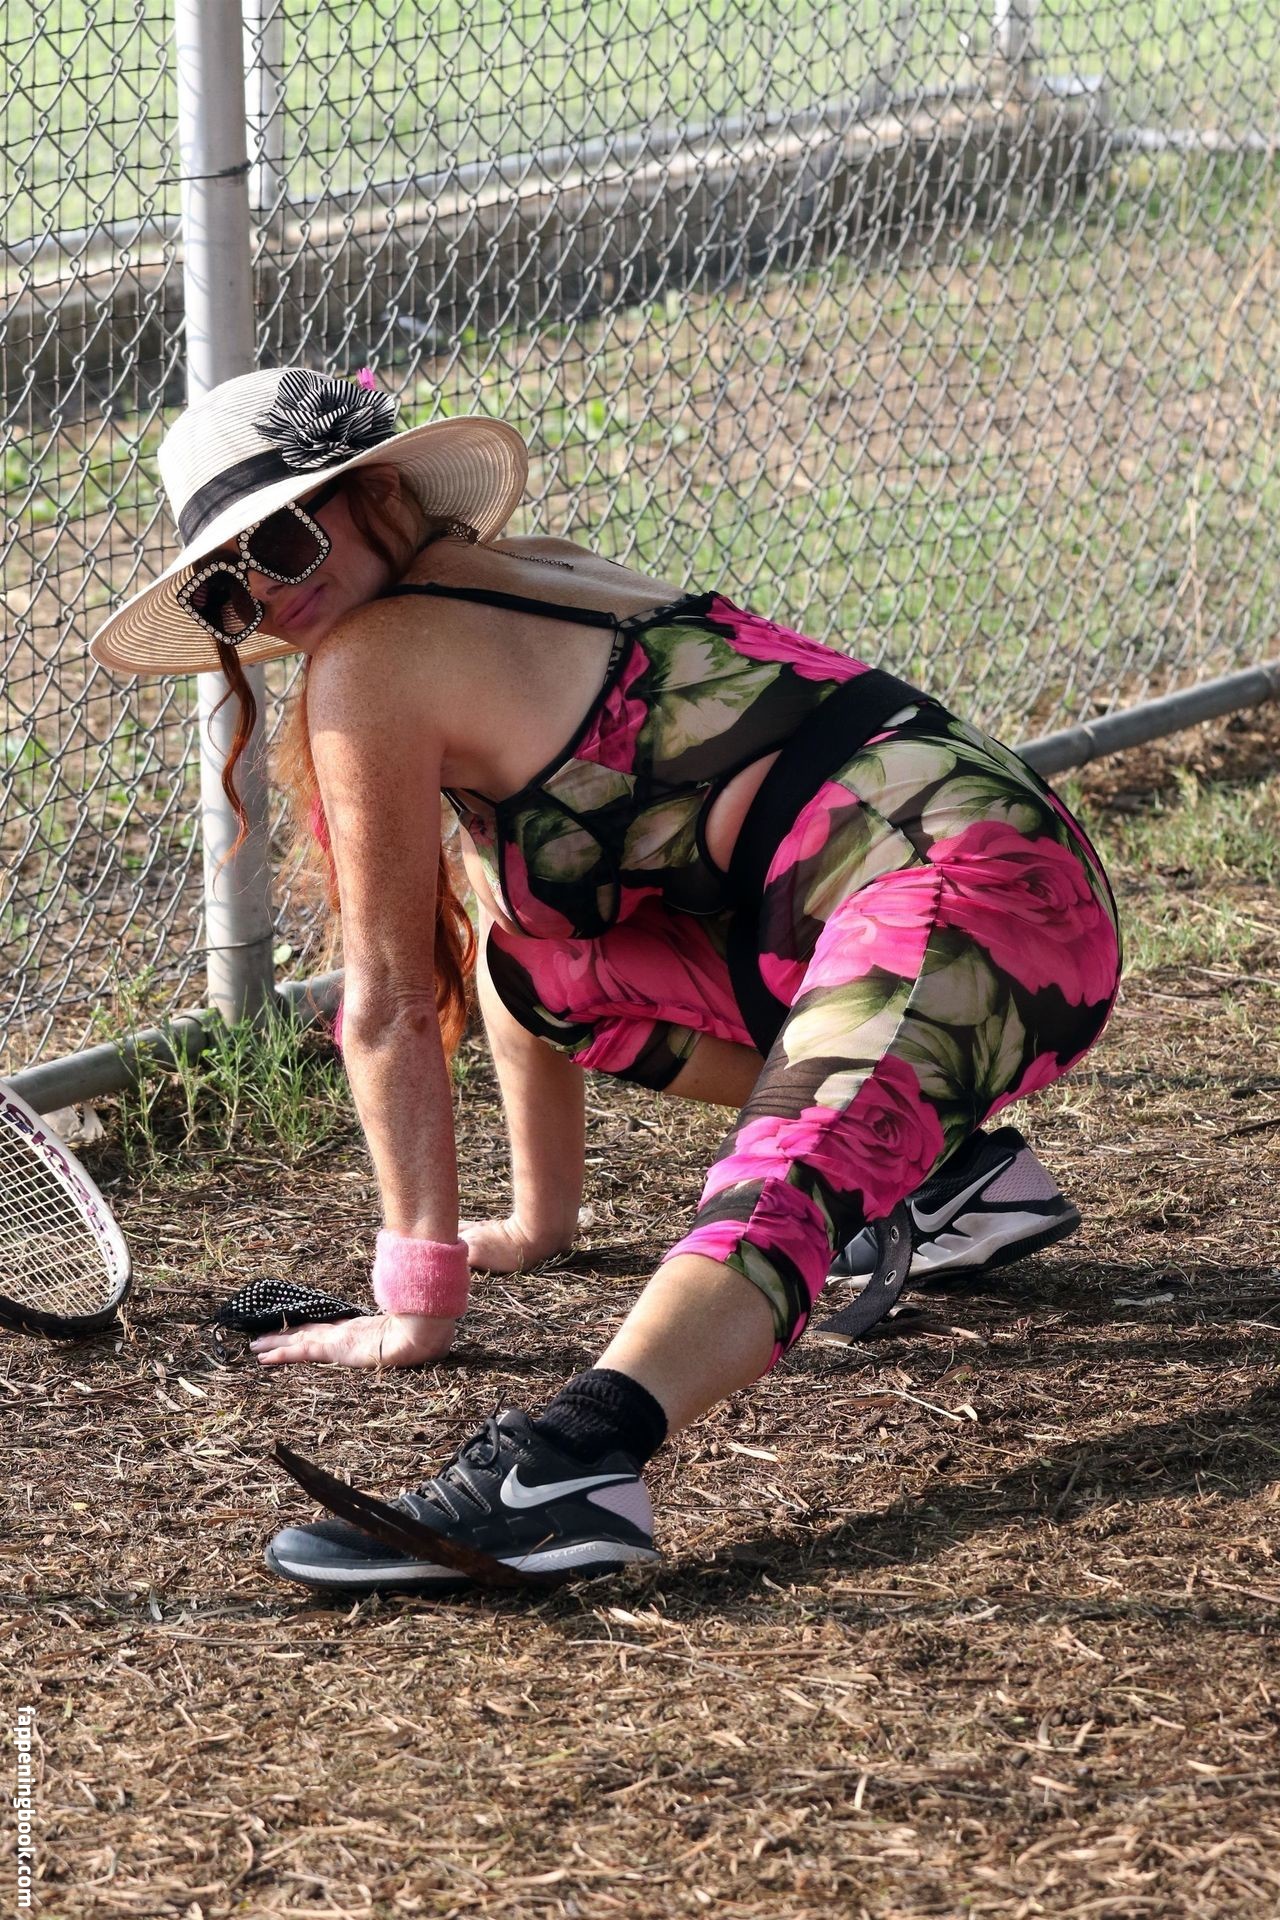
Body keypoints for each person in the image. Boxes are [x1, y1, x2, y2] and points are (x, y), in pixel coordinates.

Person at [90, 365, 1121, 1594]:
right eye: (225, 586)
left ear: (378, 495)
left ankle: (575, 1465)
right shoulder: (527, 573)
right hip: (966, 875)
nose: (266, 590)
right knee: (542, 967)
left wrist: (417, 1301)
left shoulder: (374, 657)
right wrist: (538, 1229)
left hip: (967, 893)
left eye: (280, 539)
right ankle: (948, 1180)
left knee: (781, 1178)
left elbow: (387, 1003)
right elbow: (511, 946)